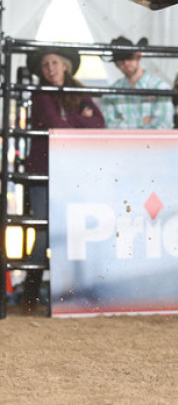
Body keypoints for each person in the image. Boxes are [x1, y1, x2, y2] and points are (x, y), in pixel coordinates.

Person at [23, 46, 106, 314]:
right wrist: (79, 119)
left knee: (69, 229)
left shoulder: (76, 92)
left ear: (65, 66)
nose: (50, 69)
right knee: (45, 231)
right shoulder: (42, 94)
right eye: (46, 65)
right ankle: (31, 297)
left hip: (67, 169)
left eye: (54, 63)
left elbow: (99, 123)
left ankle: (51, 296)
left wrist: (66, 119)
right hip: (46, 169)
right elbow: (55, 123)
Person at [101, 36, 174, 129]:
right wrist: (144, 121)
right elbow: (109, 125)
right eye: (120, 59)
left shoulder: (161, 87)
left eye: (129, 57)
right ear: (116, 64)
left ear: (138, 55)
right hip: (134, 142)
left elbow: (164, 125)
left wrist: (124, 123)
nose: (126, 62)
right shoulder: (110, 93)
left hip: (141, 143)